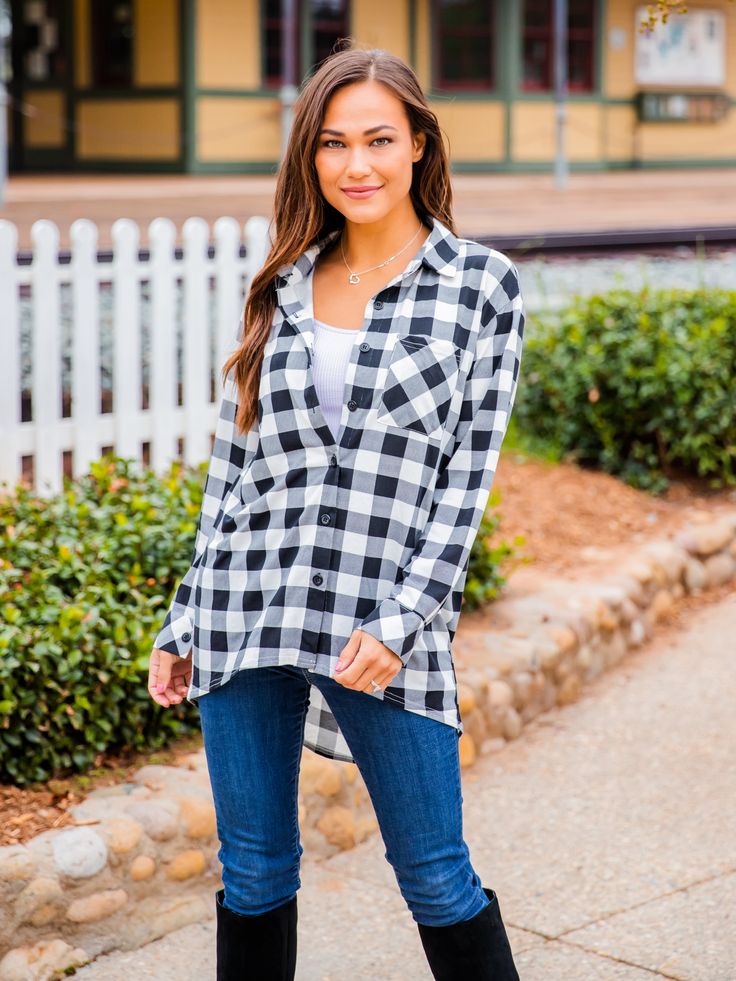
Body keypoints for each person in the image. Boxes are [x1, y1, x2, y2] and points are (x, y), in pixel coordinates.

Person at [148, 41, 524, 981]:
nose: (356, 165)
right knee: (254, 874)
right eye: (332, 144)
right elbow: (232, 471)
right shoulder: (281, 282)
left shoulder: (481, 287)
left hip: (381, 623)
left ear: (420, 148)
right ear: (310, 158)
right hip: (246, 606)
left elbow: (463, 487)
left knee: (437, 874)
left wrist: (403, 622)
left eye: (378, 140)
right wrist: (185, 614)